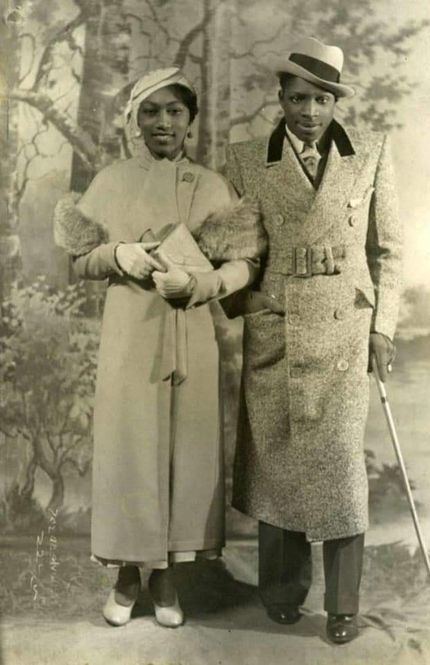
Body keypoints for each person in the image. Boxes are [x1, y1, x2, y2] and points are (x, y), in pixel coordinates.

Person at [54, 67, 264, 628]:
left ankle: (169, 578)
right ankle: (126, 578)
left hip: (190, 333)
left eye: (175, 112)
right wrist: (117, 254)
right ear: (134, 120)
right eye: (151, 112)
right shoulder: (112, 180)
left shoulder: (211, 184)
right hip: (129, 333)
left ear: (190, 120)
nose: (163, 122)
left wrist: (207, 284)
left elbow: (245, 260)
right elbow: (77, 260)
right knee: (130, 450)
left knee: (185, 453)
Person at [224, 37, 403, 644]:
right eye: (298, 98)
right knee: (279, 464)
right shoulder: (247, 159)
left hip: (345, 335)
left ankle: (344, 606)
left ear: (335, 102)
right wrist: (240, 296)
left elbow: (389, 251)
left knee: (340, 473)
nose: (309, 112)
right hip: (277, 330)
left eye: (321, 99)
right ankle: (280, 594)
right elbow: (239, 251)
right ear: (281, 97)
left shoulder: (371, 153)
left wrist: (383, 328)